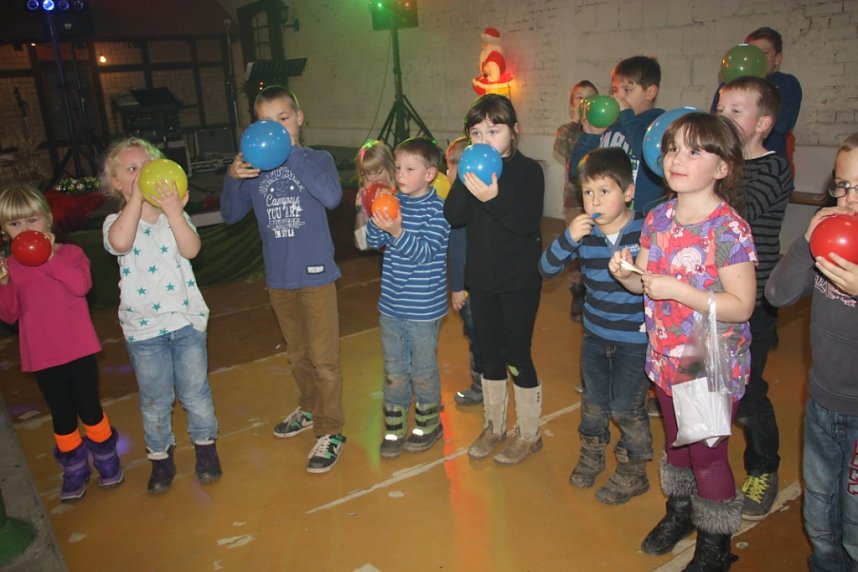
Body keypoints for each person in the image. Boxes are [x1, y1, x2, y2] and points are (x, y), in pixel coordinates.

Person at [610, 113, 757, 569]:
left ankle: (715, 547)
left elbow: (742, 305)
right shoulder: (656, 217)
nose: (677, 158)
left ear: (722, 168)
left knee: (707, 457)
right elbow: (646, 283)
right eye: (673, 148)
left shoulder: (727, 230)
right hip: (666, 356)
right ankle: (681, 513)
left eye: (695, 151)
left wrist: (681, 292)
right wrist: (627, 274)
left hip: (708, 360)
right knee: (676, 445)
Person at [221, 86, 346, 473]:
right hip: (279, 278)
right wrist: (232, 177)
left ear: (299, 118)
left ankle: (331, 429)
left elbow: (331, 197)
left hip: (316, 276)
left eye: (283, 119)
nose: (275, 128)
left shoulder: (316, 158)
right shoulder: (255, 170)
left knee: (324, 360)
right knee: (297, 355)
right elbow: (229, 215)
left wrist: (291, 152)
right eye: (265, 122)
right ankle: (309, 408)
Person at [102, 137, 222, 493]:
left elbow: (192, 249)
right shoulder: (115, 221)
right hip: (144, 330)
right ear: (117, 183)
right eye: (131, 169)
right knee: (155, 399)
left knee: (196, 392)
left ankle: (206, 451)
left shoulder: (176, 216)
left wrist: (173, 213)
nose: (141, 174)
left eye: (147, 166)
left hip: (185, 322)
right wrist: (137, 200)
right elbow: (120, 243)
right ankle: (160, 459)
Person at [765, 133, 858, 572]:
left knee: (856, 526)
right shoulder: (828, 237)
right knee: (819, 516)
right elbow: (779, 294)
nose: (849, 200)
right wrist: (808, 238)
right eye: (842, 186)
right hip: (822, 404)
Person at [539, 148, 651, 505]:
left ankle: (634, 470)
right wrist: (568, 237)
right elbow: (545, 268)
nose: (595, 200)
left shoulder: (646, 228)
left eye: (605, 191)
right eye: (588, 192)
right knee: (593, 405)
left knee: (627, 408)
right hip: (595, 337)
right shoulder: (584, 234)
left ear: (629, 192)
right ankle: (591, 454)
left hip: (636, 340)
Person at [0, 185, 123, 502]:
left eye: (32, 220)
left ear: (48, 219)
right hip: (41, 357)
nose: (25, 230)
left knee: (90, 409)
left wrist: (50, 258)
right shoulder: (10, 268)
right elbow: (11, 315)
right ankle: (74, 468)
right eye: (15, 224)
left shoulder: (70, 254)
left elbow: (81, 286)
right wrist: (2, 283)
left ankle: (107, 458)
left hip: (78, 349)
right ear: (4, 230)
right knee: (63, 415)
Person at [444, 93, 545, 465]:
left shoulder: (528, 172)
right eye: (476, 132)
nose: (484, 139)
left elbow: (524, 223)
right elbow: (453, 216)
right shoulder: (472, 170)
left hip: (519, 282)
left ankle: (529, 433)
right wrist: (463, 182)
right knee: (488, 355)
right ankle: (494, 426)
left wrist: (492, 196)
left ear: (514, 132)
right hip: (482, 280)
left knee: (517, 355)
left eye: (494, 130)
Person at [716, 75, 793, 520]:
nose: (723, 117)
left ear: (763, 122)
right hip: (710, 298)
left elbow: (732, 216)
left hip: (754, 301)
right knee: (707, 385)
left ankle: (764, 468)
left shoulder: (773, 168)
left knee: (748, 393)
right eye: (720, 108)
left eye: (735, 111)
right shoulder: (718, 165)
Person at [366, 137, 450, 458]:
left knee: (423, 367)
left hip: (423, 308)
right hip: (391, 304)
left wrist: (398, 230)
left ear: (429, 174)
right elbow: (374, 242)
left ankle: (429, 423)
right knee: (394, 367)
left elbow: (425, 253)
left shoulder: (438, 210)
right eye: (398, 167)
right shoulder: (394, 201)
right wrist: (379, 220)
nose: (400, 175)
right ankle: (395, 424)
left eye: (409, 169)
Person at [569, 55, 665, 214]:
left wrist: (628, 117)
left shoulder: (659, 126)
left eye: (627, 89)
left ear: (650, 92)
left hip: (641, 221)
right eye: (615, 90)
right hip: (604, 217)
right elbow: (576, 172)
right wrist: (590, 136)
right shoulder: (610, 125)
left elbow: (653, 158)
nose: (618, 96)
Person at [710, 27, 802, 172]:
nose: (754, 58)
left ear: (777, 58)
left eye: (764, 53)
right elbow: (715, 123)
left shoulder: (786, 83)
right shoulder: (728, 86)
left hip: (767, 166)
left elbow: (783, 124)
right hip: (731, 164)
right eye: (751, 52)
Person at [446, 136, 485, 406]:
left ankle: (480, 385)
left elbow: (459, 253)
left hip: (471, 288)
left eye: (449, 166)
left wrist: (458, 288)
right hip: (483, 284)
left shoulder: (460, 206)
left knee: (478, 338)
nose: (446, 172)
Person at [555, 80, 599, 322]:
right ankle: (577, 291)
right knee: (575, 246)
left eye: (590, 98)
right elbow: (563, 149)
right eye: (579, 98)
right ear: (572, 104)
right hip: (574, 198)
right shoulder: (567, 130)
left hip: (600, 197)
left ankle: (594, 288)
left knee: (597, 244)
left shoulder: (605, 128)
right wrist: (577, 124)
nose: (584, 102)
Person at [354, 140, 395, 251]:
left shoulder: (404, 189)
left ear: (390, 166)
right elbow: (361, 244)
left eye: (379, 171)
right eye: (367, 174)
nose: (373, 179)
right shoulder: (367, 193)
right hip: (388, 258)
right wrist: (360, 209)